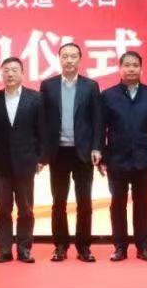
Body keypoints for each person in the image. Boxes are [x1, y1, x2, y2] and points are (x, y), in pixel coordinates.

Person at [98, 51, 147, 262]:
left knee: (142, 203)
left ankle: (143, 246)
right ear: (120, 69)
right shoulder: (108, 95)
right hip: (116, 159)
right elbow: (100, 129)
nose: (131, 69)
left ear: (141, 69)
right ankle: (120, 247)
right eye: (127, 65)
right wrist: (101, 157)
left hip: (143, 159)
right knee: (117, 204)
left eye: (135, 65)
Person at [40, 42, 103, 262]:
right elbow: (43, 121)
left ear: (80, 59)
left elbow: (97, 119)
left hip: (83, 152)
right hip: (58, 152)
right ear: (59, 59)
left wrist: (97, 146)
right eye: (65, 56)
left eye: (73, 56)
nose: (69, 60)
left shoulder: (90, 86)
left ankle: (84, 246)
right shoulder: (48, 86)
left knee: (84, 202)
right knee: (58, 202)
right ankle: (60, 245)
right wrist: (42, 153)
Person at [0, 57, 46, 263]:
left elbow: (42, 131)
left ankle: (24, 249)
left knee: (26, 209)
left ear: (22, 74)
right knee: (2, 210)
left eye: (14, 70)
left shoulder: (36, 98)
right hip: (0, 164)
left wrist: (41, 158)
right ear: (1, 74)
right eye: (6, 70)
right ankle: (4, 250)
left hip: (26, 162)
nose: (10, 74)